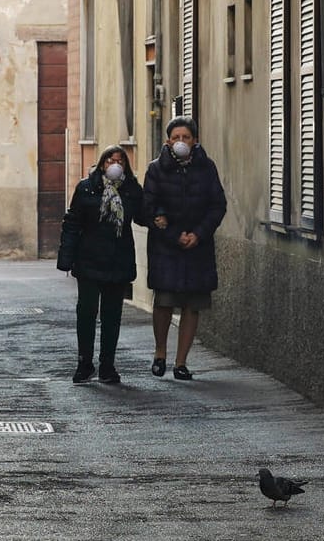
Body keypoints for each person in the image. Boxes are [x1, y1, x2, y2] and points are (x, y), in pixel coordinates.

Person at [142, 116, 227, 380]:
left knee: (193, 304)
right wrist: (171, 232)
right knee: (164, 302)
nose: (181, 142)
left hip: (197, 247)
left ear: (195, 141)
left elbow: (217, 205)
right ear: (168, 141)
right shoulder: (156, 169)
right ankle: (160, 354)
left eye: (186, 137)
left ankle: (181, 362)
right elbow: (148, 207)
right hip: (166, 246)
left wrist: (198, 235)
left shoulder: (206, 168)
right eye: (176, 137)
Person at [57, 145, 144, 384]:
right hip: (89, 260)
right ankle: (84, 363)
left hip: (118, 260)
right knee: (86, 313)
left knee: (112, 315)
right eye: (109, 160)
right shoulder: (86, 188)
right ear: (102, 163)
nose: (114, 165)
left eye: (119, 161)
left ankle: (108, 365)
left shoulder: (131, 190)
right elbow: (72, 222)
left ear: (125, 166)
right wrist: (66, 257)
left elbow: (143, 216)